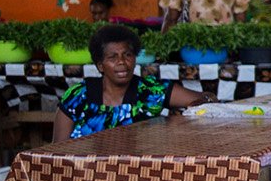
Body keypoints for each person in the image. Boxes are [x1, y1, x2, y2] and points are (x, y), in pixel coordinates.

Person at [54, 24, 207, 141]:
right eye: (112, 57)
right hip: (84, 177)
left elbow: (208, 99)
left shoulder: (150, 91)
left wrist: (182, 118)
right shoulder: (78, 96)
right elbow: (57, 151)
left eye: (127, 55)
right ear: (100, 65)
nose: (122, 62)